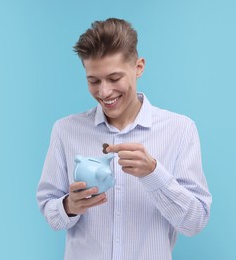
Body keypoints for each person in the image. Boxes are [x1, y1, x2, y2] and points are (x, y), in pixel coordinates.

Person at [36, 18, 212, 260]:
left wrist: (154, 173)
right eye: (93, 81)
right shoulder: (66, 131)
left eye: (114, 78)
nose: (104, 92)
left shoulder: (180, 130)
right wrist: (68, 206)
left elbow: (195, 222)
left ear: (138, 67)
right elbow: (51, 213)